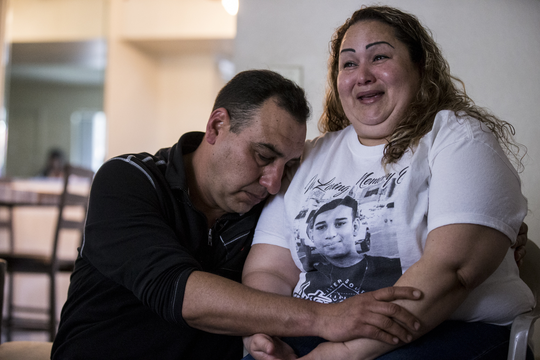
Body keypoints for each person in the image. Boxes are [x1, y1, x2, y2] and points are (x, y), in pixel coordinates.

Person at [51, 69, 425, 360]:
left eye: (288, 165)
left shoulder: (265, 205)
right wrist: (325, 318)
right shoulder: (129, 180)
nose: (274, 182)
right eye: (263, 156)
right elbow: (176, 290)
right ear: (217, 125)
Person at [242, 6, 534, 360]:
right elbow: (268, 269)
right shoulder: (305, 157)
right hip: (316, 332)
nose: (362, 75)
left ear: (420, 68)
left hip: (446, 332)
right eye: (348, 64)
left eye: (379, 56)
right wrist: (263, 333)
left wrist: (341, 354)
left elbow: (452, 271)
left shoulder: (458, 138)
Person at [297, 196, 402, 303]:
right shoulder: (310, 276)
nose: (330, 234)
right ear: (312, 235)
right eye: (321, 227)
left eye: (340, 224)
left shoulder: (391, 268)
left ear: (355, 227)